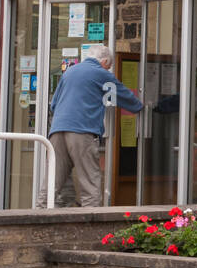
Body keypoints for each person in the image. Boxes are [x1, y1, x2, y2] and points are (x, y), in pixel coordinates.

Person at [39, 44, 142, 208]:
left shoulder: (70, 72)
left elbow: (54, 104)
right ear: (105, 61)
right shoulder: (100, 73)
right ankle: (91, 224)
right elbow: (125, 97)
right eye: (109, 66)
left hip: (57, 130)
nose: (109, 70)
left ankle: (38, 216)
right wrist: (142, 107)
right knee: (90, 183)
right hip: (82, 131)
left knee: (52, 181)